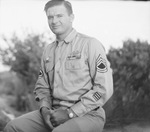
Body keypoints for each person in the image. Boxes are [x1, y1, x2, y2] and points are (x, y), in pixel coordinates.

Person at [3, 0, 113, 132]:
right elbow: (42, 86)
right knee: (12, 127)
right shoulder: (48, 51)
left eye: (59, 16)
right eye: (50, 17)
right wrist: (44, 109)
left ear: (71, 17)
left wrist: (70, 113)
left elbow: (103, 89)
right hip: (54, 113)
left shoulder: (90, 45)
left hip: (88, 114)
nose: (54, 21)